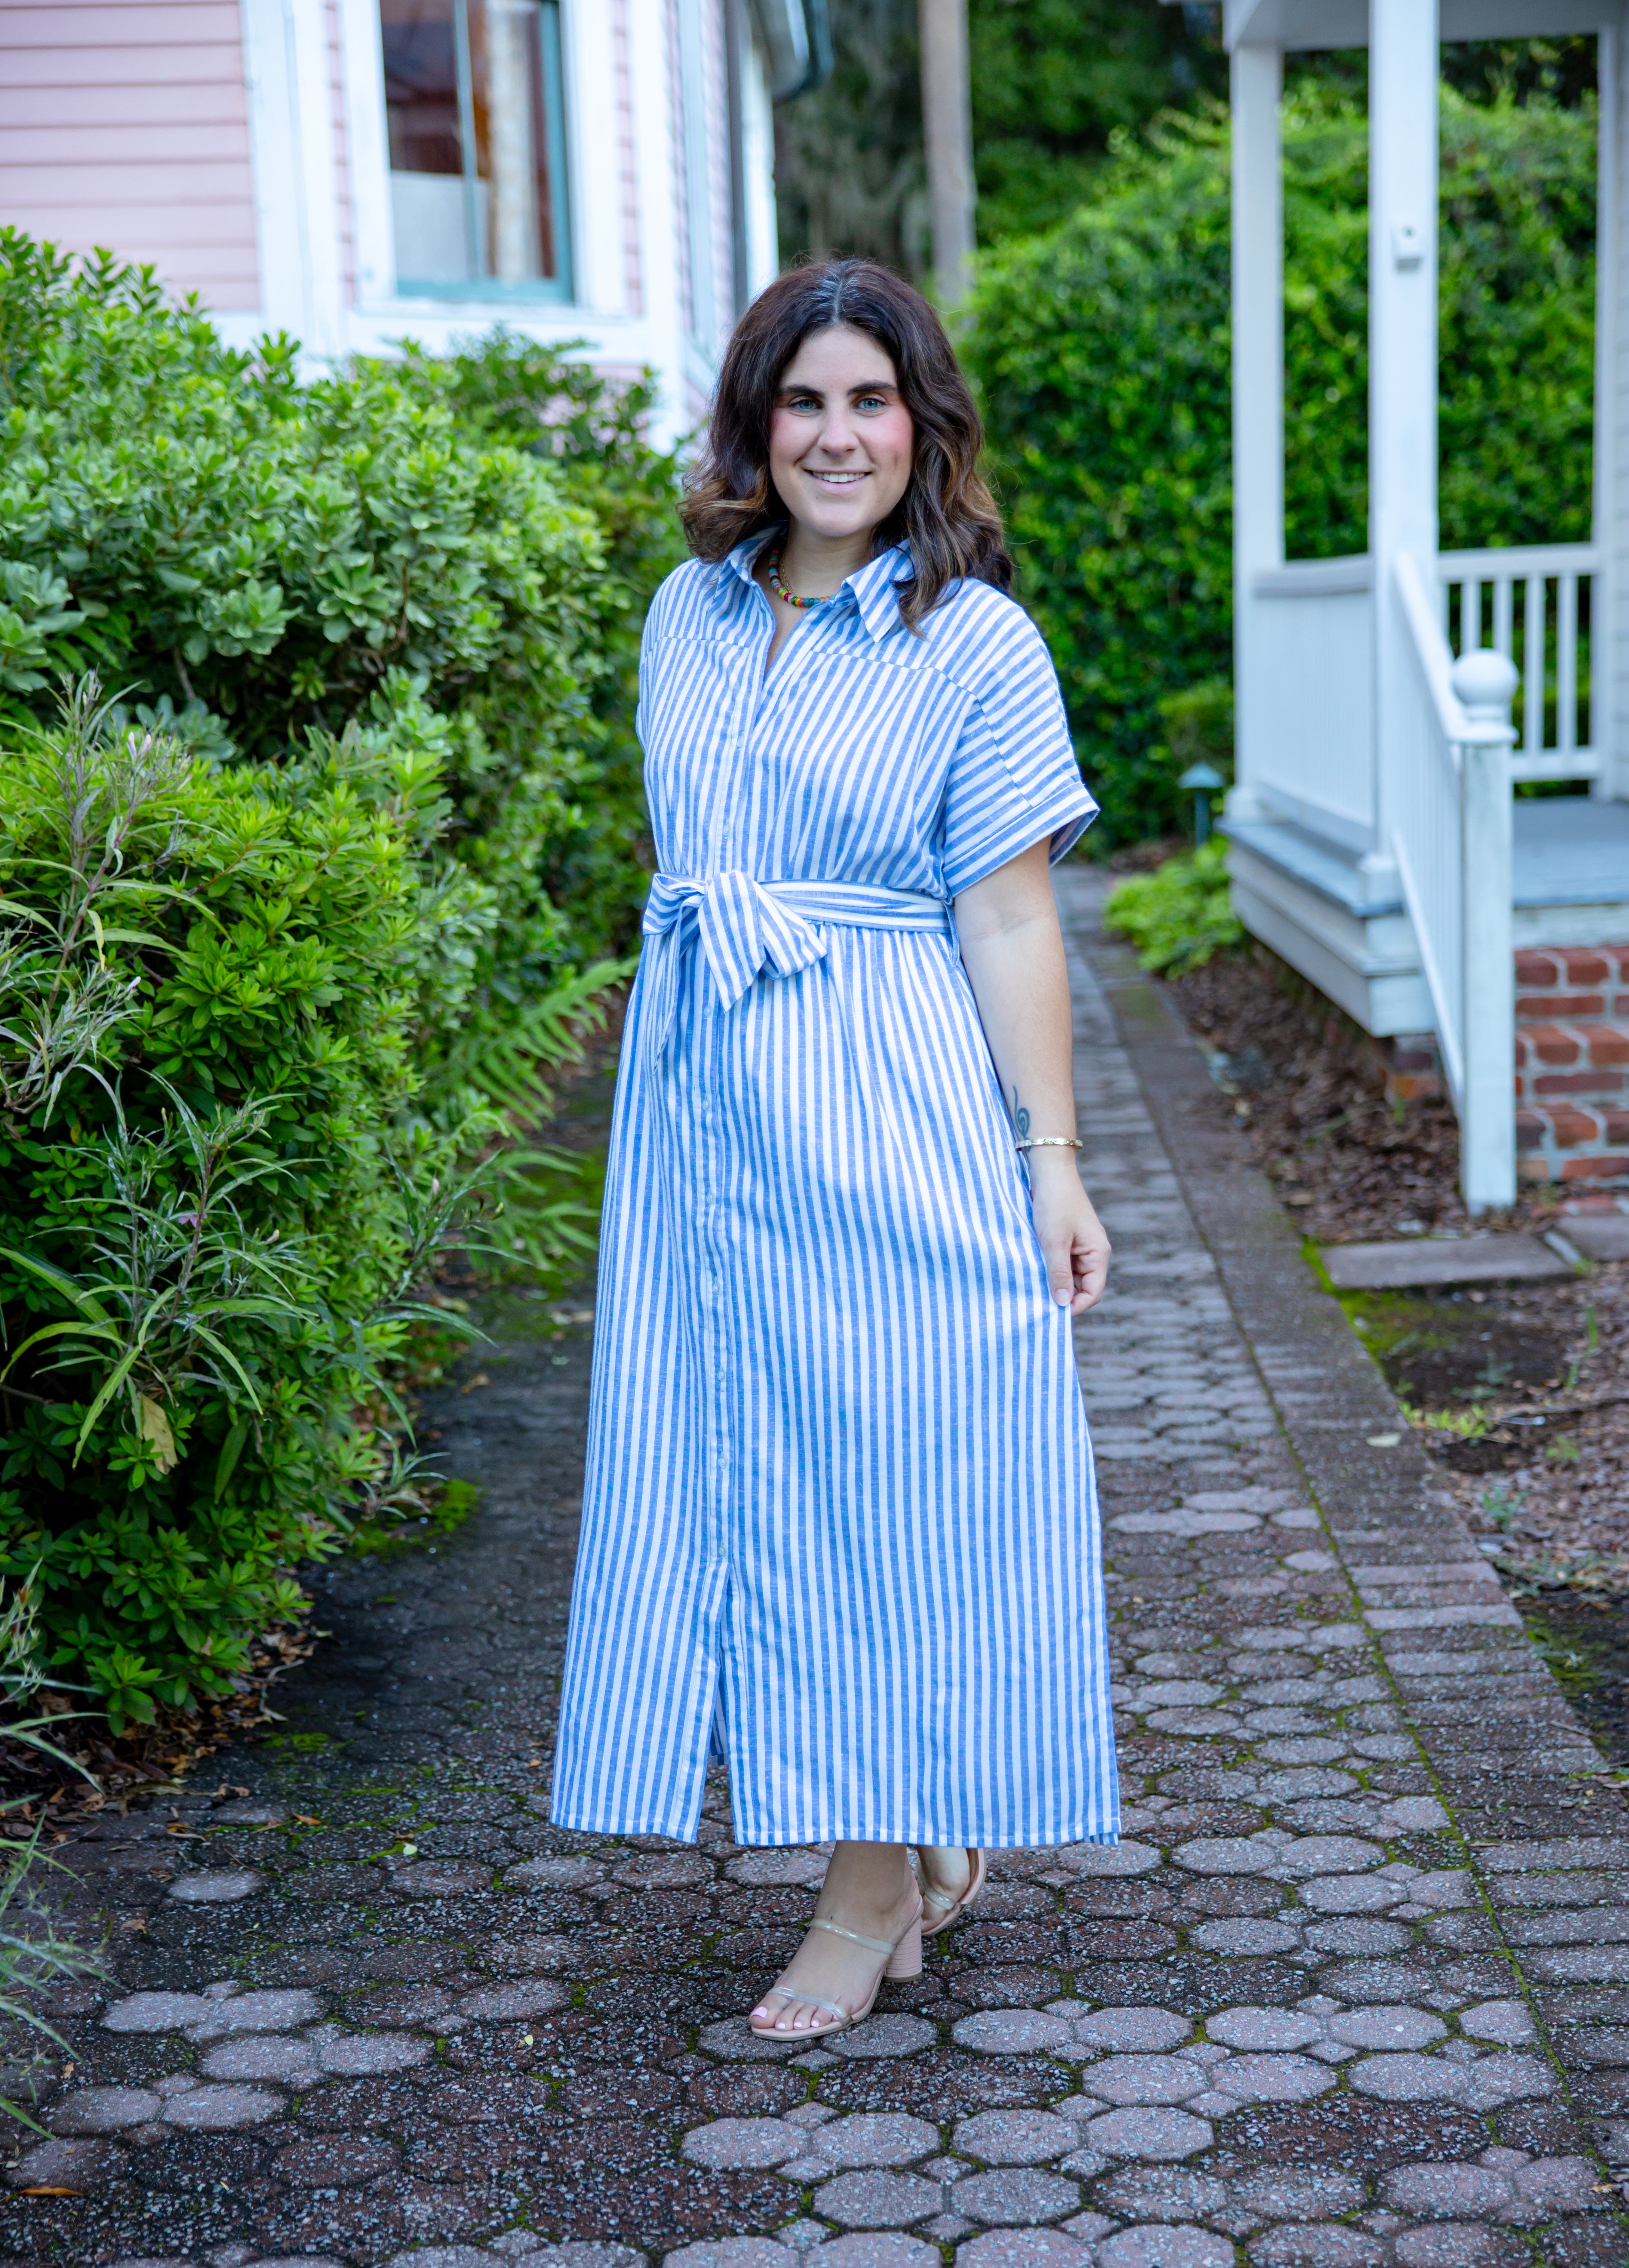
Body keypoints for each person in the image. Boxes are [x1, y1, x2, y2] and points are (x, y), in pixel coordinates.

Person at [548, 256, 1118, 2038]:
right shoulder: (685, 615)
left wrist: (1053, 1162)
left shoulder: (973, 640)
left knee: (892, 1478)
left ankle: (866, 1894)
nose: (836, 434)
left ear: (921, 423)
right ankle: (913, 1843)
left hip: (888, 1100)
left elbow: (1013, 923)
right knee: (743, 1474)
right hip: (707, 1106)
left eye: (871, 399)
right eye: (805, 401)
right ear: (757, 424)